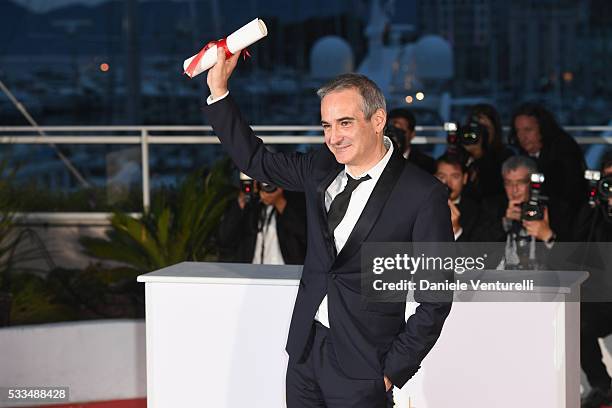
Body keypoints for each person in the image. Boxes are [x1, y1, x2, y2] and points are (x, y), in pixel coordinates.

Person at [204, 48, 453, 407]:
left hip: (366, 363)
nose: (333, 137)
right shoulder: (321, 166)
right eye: (326, 126)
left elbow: (437, 294)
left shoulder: (421, 193)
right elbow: (256, 160)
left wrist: (392, 370)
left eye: (345, 123)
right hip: (306, 351)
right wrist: (219, 91)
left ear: (378, 120)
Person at [480, 156, 568, 268]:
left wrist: (548, 236)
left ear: (533, 183)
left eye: (520, 183)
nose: (514, 189)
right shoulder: (492, 207)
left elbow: (571, 263)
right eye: (509, 183)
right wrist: (503, 225)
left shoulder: (553, 209)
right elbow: (477, 253)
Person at [573, 151, 612, 408]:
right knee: (575, 321)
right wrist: (597, 208)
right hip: (604, 299)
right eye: (608, 181)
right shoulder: (595, 213)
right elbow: (577, 247)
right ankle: (603, 386)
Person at [509, 102, 587, 213]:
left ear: (542, 128)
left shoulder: (564, 150)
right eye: (518, 131)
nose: (522, 137)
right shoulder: (521, 154)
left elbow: (569, 193)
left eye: (528, 130)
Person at [218, 180, 307, 265]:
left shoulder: (299, 201)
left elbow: (307, 236)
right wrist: (244, 197)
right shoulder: (248, 205)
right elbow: (224, 239)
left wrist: (280, 202)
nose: (267, 184)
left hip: (289, 275)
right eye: (263, 180)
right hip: (251, 275)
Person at [461, 104, 514, 202]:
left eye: (485, 129)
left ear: (495, 130)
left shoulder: (505, 157)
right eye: (476, 129)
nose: (481, 134)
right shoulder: (460, 155)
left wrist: (479, 155)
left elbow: (494, 189)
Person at [434, 154, 481, 241]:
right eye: (441, 177)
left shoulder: (477, 213)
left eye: (455, 176)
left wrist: (456, 230)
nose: (447, 183)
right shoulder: (422, 208)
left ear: (465, 178)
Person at [387, 108, 436, 174]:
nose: (395, 136)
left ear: (412, 134)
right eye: (391, 131)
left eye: (401, 132)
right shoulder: (377, 160)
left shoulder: (427, 165)